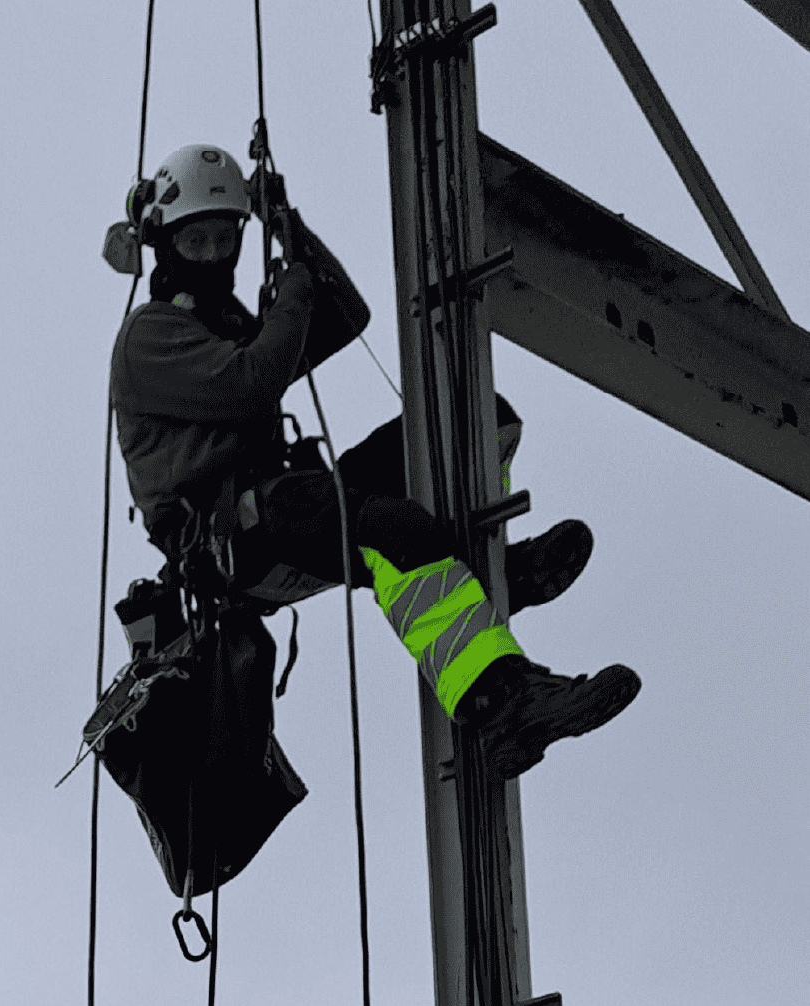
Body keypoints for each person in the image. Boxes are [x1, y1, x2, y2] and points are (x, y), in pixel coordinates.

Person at [108, 142, 639, 779]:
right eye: (198, 242)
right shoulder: (150, 336)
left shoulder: (224, 327)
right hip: (237, 543)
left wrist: (290, 229)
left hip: (285, 509)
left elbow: (343, 315)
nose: (215, 255)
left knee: (476, 419)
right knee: (389, 529)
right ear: (163, 245)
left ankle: (486, 573)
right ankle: (501, 702)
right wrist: (294, 286)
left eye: (227, 238)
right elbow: (254, 382)